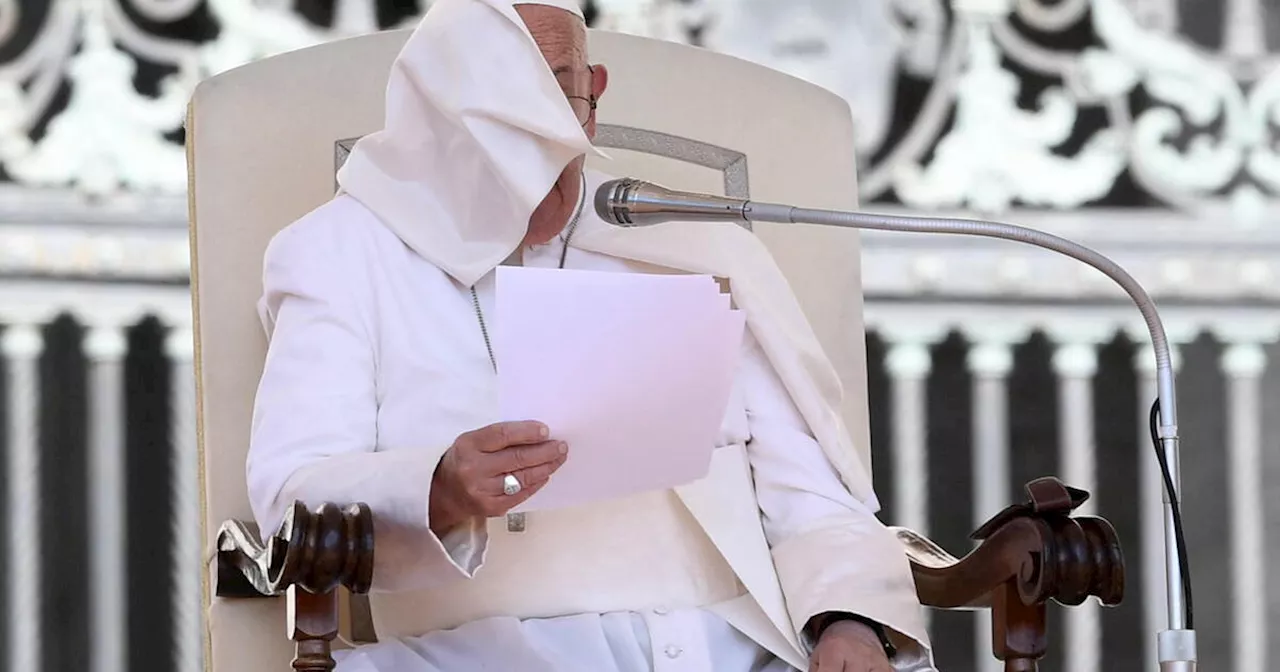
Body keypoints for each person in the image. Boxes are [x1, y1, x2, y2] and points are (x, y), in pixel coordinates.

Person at [246, 1, 935, 670]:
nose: (536, 166)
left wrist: (848, 619)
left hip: (724, 643)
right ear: (435, 115)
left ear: (593, 98)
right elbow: (291, 498)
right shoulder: (340, 252)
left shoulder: (690, 245)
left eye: (554, 103)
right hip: (483, 652)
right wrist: (438, 487)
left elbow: (807, 488)